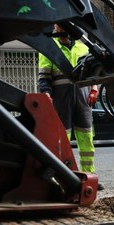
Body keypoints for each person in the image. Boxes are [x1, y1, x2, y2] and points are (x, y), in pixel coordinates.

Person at [38, 24, 104, 190]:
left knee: (86, 140)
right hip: (61, 99)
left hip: (83, 98)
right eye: (56, 28)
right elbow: (44, 78)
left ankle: (90, 178)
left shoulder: (83, 47)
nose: (58, 31)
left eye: (61, 28)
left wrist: (95, 89)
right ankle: (63, 179)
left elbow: (94, 73)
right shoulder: (49, 49)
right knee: (62, 141)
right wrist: (46, 94)